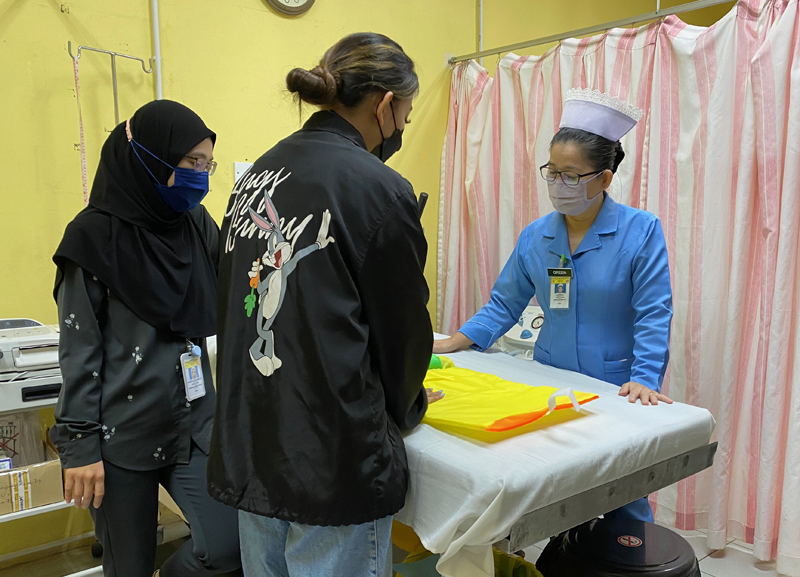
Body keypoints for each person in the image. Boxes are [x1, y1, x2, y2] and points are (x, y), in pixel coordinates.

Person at [207, 33, 441, 577]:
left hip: (254, 437)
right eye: (406, 115)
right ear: (385, 105)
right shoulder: (380, 188)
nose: (402, 129)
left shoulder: (255, 178)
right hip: (331, 454)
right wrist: (407, 405)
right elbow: (403, 333)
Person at [434, 88, 673, 523]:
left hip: (615, 382)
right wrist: (457, 340)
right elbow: (504, 303)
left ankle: (629, 549)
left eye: (572, 176)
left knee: (622, 490)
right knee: (560, 487)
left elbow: (654, 311)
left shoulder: (640, 230)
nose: (559, 185)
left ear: (604, 178)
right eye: (552, 172)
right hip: (551, 378)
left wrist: (644, 377)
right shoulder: (537, 235)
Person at [51, 100, 241, 577]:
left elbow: (238, 289)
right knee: (128, 565)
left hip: (193, 423)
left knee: (229, 545)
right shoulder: (92, 238)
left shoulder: (195, 224)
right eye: (191, 162)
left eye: (208, 164)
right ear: (149, 158)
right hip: (119, 436)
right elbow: (79, 350)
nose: (201, 176)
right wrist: (80, 447)